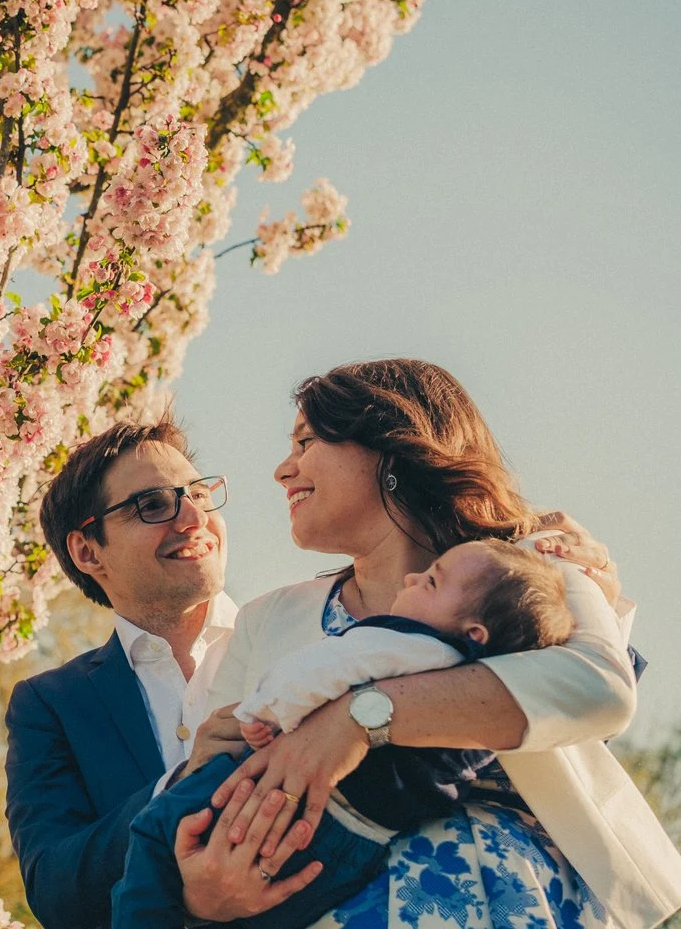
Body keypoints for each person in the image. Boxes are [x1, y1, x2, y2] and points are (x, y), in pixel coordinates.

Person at [174, 359, 681, 928]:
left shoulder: (529, 566)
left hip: (514, 896)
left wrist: (354, 720)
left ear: (389, 444)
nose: (281, 470)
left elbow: (601, 689)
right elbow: (206, 796)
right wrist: (202, 886)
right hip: (322, 903)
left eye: (306, 441)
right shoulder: (266, 620)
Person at [110, 539, 577, 929]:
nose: (413, 580)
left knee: (153, 834)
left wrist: (266, 711)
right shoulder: (483, 682)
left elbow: (323, 668)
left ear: (474, 631)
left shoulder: (402, 641)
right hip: (362, 842)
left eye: (432, 581)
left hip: (286, 801)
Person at [3, 416, 324, 929]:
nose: (194, 516)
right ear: (87, 551)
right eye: (153, 505)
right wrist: (179, 783)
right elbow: (56, 892)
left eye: (198, 492)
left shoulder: (307, 633)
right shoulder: (51, 705)